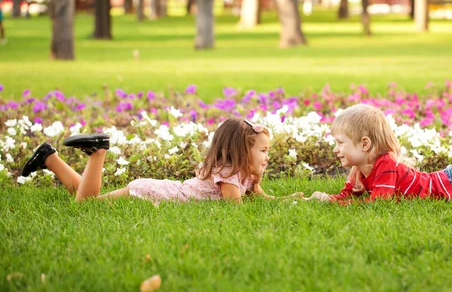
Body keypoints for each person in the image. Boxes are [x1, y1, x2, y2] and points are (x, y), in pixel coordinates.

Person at [307, 103, 452, 203]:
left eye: (340, 142)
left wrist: (338, 205)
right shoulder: (360, 170)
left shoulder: (386, 164)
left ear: (365, 144)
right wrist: (328, 199)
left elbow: (378, 202)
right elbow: (348, 195)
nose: (336, 149)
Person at [21, 118, 286, 203]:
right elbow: (235, 208)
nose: (267, 157)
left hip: (161, 188)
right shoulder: (229, 173)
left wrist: (293, 199)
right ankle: (98, 153)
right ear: (241, 151)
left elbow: (264, 201)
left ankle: (49, 158)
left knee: (89, 198)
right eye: (263, 151)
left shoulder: (244, 174)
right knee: (87, 205)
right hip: (154, 193)